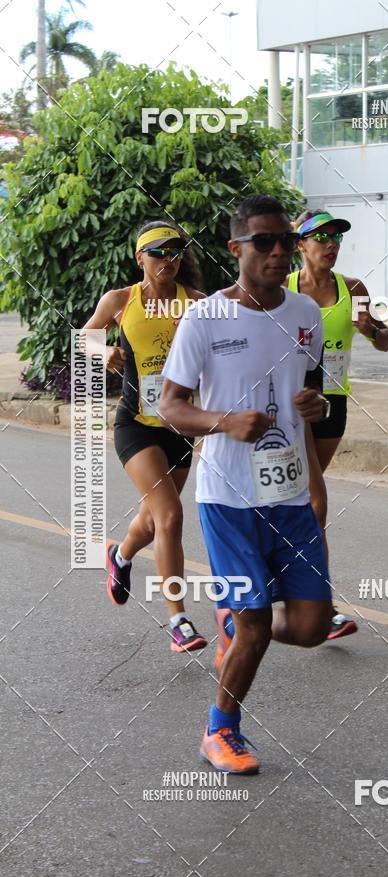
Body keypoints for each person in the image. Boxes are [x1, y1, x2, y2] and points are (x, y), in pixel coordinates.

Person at [160, 195, 334, 775]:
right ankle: (221, 730)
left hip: (288, 495)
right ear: (236, 249)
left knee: (310, 628)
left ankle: (234, 623)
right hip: (228, 497)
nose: (279, 251)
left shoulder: (306, 313)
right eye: (264, 241)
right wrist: (223, 422)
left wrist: (314, 411)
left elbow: (310, 391)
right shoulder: (205, 318)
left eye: (285, 240)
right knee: (258, 623)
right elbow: (170, 406)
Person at [83, 220, 208, 653]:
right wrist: (104, 350)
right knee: (170, 516)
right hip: (135, 425)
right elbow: (85, 338)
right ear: (140, 258)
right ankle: (179, 621)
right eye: (158, 252)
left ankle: (119, 555)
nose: (168, 259)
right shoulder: (120, 301)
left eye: (175, 251)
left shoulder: (197, 303)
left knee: (154, 520)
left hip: (180, 427)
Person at [287, 210, 388, 639]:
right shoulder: (283, 289)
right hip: (292, 404)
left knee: (299, 500)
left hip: (333, 402)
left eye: (336, 238)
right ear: (300, 244)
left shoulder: (353, 289)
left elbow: (384, 342)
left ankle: (284, 578)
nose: (330, 244)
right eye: (321, 237)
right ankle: (323, 606)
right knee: (315, 503)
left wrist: (370, 328)